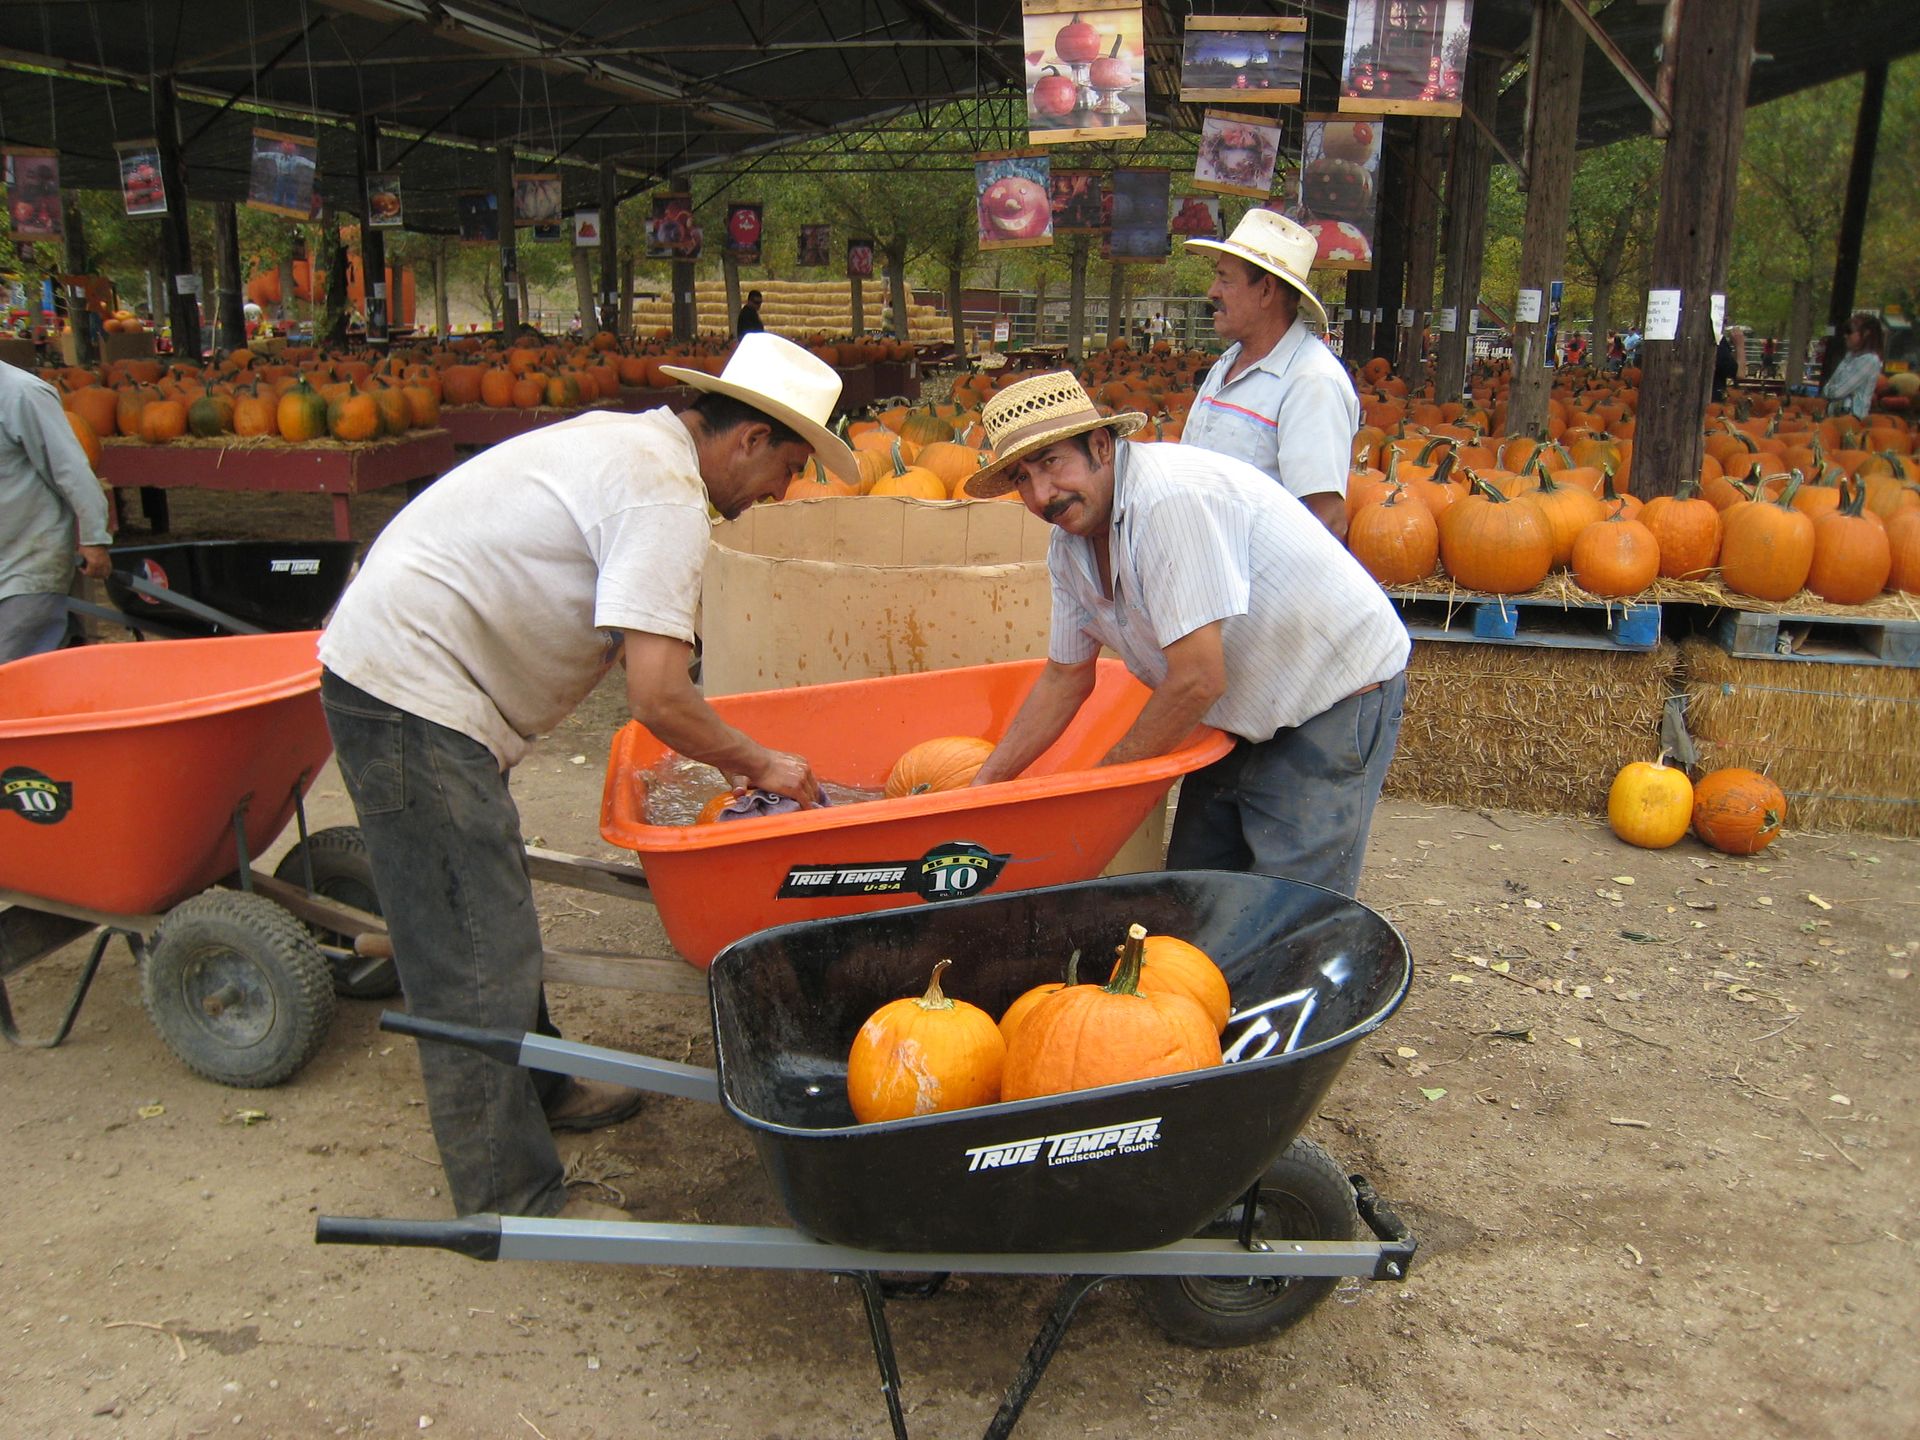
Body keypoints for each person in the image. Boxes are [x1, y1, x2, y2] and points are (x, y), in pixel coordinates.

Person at [316, 334, 856, 1222]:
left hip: (419, 679)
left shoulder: (636, 448)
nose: (780, 495)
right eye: (790, 466)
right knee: (471, 946)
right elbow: (656, 696)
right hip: (409, 690)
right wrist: (762, 762)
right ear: (750, 440)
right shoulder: (665, 495)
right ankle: (509, 1197)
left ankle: (546, 1086)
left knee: (487, 905)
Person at [963, 371, 1409, 897]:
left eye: (1051, 463)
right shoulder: (1069, 548)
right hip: (1235, 708)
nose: (1042, 494)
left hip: (1328, 697)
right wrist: (980, 791)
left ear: (1101, 447)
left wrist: (1101, 787)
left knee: (1295, 906)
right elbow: (1065, 679)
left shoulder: (1167, 502)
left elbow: (1197, 678)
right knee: (1196, 891)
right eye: (1021, 478)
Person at [1176, 209, 1358, 540]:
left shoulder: (1311, 382)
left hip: (1258, 588)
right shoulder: (1227, 365)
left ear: (1266, 291)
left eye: (1224, 278)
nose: (1212, 291)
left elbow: (1326, 522)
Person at [1, 359, 111, 666]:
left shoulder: (21, 394)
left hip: (25, 564)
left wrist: (93, 536)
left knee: (14, 674)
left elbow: (71, 470)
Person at [1823, 313, 1884, 421]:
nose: (1845, 336)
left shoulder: (1869, 360)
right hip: (1834, 417)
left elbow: (1839, 392)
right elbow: (1829, 386)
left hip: (1852, 420)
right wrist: (1830, 390)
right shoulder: (1849, 356)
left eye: (1849, 332)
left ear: (1865, 333)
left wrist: (1830, 391)